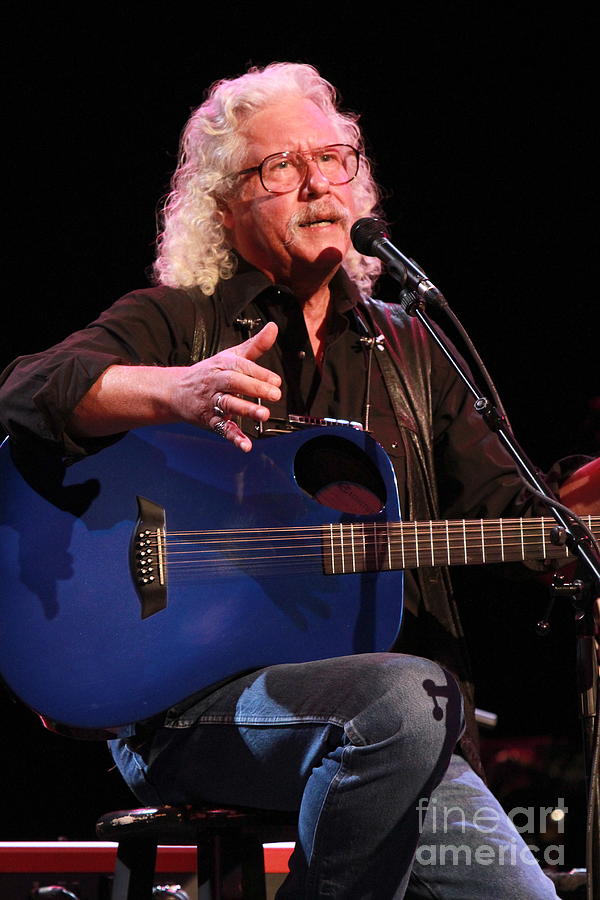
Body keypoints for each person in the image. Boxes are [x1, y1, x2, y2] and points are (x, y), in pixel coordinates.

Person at [1, 61, 595, 898]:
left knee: (415, 720)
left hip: (402, 730)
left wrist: (580, 518)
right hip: (186, 710)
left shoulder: (411, 352)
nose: (319, 186)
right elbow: (28, 389)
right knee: (404, 695)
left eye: (335, 158)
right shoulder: (183, 320)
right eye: (282, 167)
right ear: (223, 204)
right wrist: (174, 390)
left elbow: (517, 513)